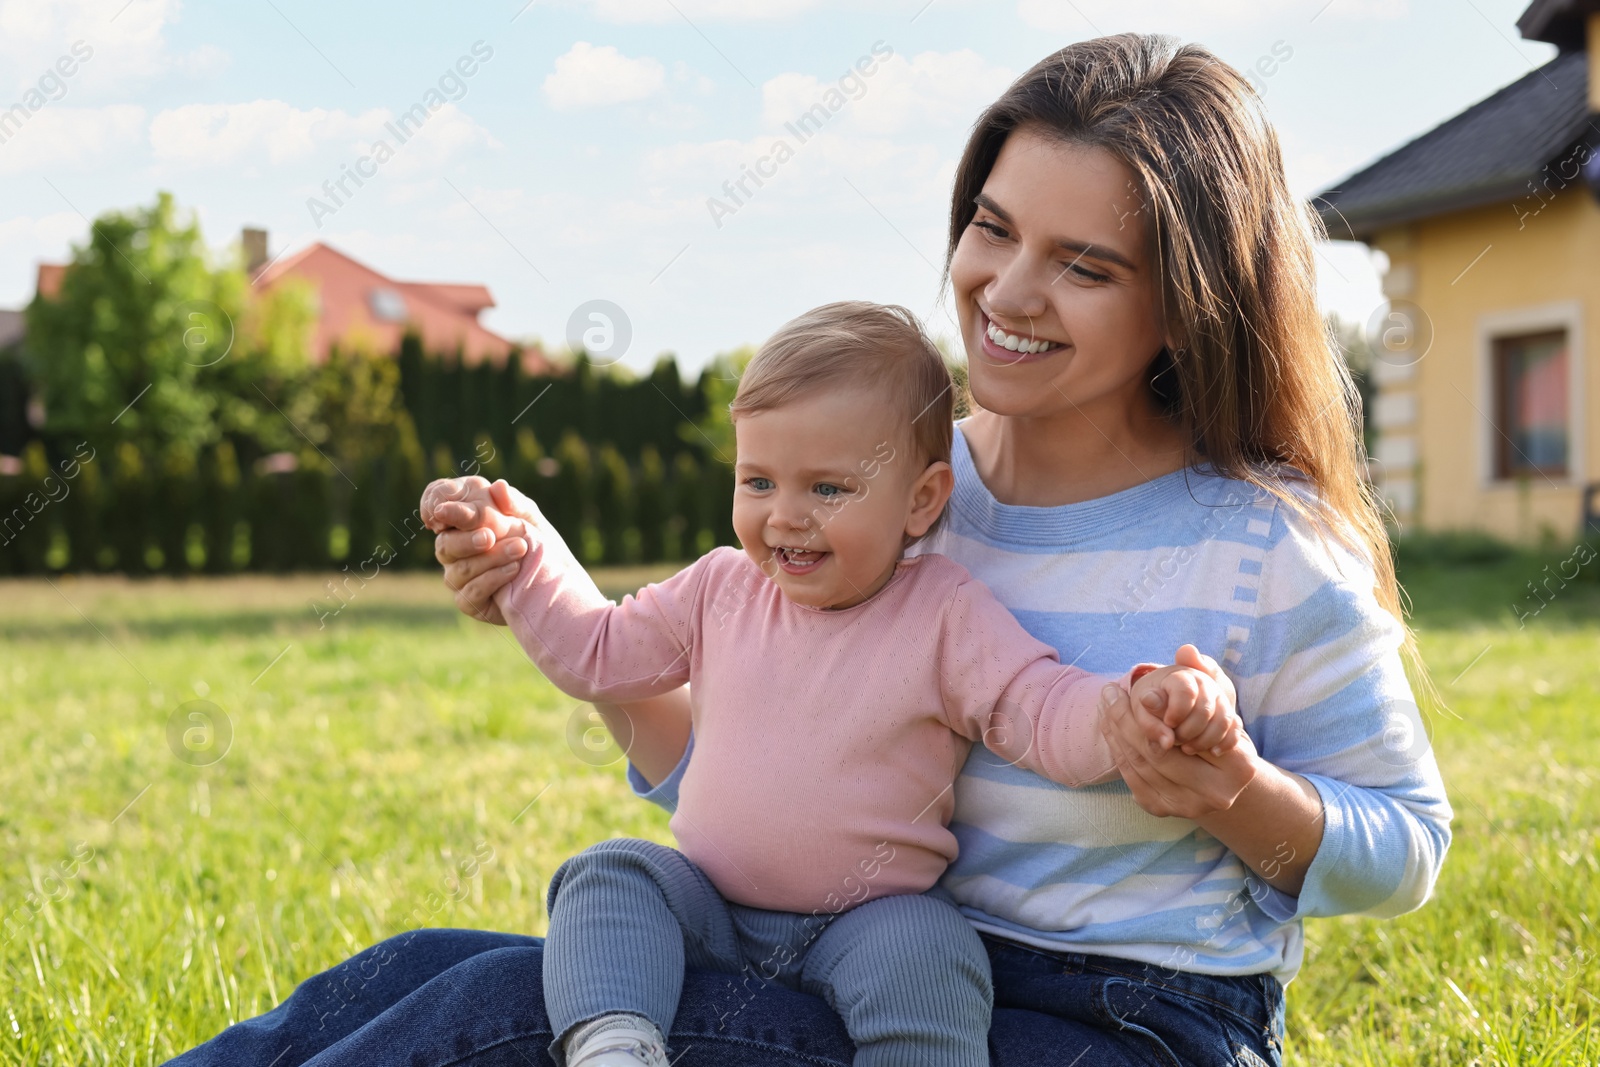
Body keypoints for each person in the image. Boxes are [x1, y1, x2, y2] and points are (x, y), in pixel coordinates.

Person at [167, 32, 1451, 1067]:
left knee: (501, 1011)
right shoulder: (896, 487)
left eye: (1083, 265)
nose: (1006, 290)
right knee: (421, 965)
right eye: (993, 228)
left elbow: (1406, 845)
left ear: (1185, 301)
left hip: (1122, 1021)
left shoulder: (1260, 546)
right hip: (860, 950)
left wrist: (1231, 787)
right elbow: (767, 779)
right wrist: (541, 590)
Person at [422, 301, 1240, 1067]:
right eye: (758, 482)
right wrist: (522, 559)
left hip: (868, 917)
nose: (785, 516)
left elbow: (1040, 709)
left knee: (931, 953)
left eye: (828, 488)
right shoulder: (718, 588)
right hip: (707, 901)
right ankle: (613, 1041)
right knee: (609, 875)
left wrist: (1133, 707)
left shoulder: (943, 613)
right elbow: (594, 651)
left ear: (921, 500)